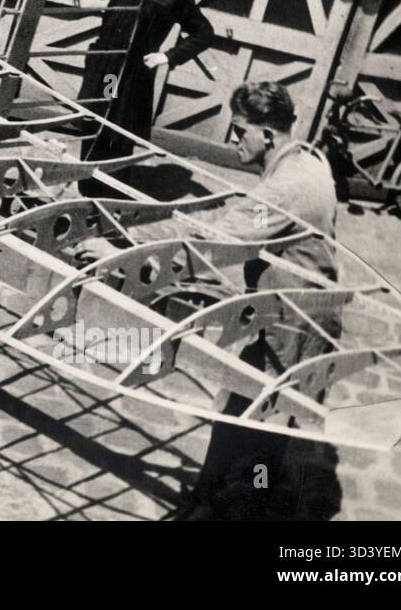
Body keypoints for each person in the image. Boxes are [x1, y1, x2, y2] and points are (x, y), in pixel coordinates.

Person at [73, 81, 341, 518]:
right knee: (251, 414)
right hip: (303, 310)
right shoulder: (309, 158)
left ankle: (226, 504)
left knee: (254, 419)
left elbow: (209, 240)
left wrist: (123, 254)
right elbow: (235, 219)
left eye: (239, 131)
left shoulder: (285, 190)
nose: (231, 140)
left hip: (294, 320)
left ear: (267, 135)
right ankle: (222, 495)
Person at [75, 0, 213, 161]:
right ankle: (86, 183)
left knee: (119, 133)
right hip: (107, 70)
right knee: (95, 122)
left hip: (133, 75)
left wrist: (168, 56)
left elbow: (204, 33)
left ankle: (111, 189)